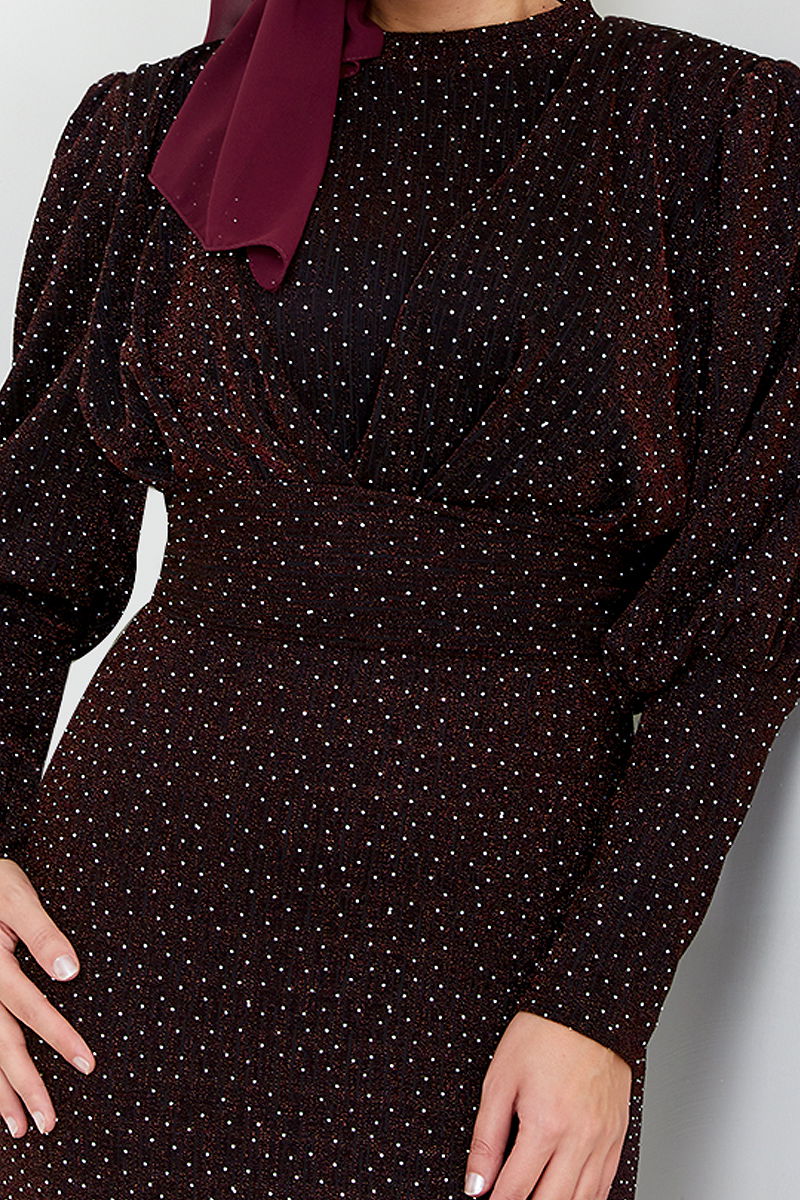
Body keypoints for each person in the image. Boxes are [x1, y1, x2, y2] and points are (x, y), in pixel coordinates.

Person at [0, 0, 797, 1196]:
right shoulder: (150, 122)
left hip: (491, 921)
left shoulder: (729, 129)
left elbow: (743, 632)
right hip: (128, 910)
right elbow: (26, 555)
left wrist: (599, 1005)